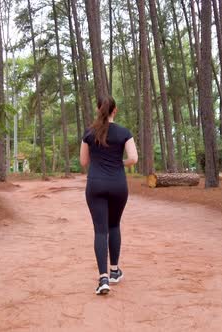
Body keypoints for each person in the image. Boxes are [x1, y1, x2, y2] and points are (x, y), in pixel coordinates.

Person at [80, 95, 138, 295]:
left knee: (100, 231)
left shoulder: (89, 133)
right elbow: (133, 158)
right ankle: (114, 272)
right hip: (118, 185)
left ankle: (102, 278)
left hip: (95, 184)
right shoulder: (124, 133)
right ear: (115, 110)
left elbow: (83, 162)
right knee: (114, 225)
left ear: (99, 110)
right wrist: (117, 163)